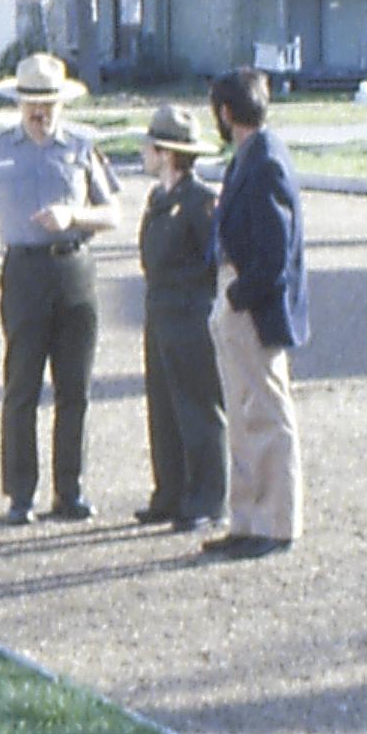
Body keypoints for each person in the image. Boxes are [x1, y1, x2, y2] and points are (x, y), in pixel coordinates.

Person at [0, 52, 122, 523]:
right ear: (19, 104)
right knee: (21, 386)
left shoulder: (81, 147)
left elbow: (112, 213)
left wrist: (75, 216)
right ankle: (20, 493)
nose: (40, 113)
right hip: (24, 272)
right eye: (32, 103)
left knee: (75, 388)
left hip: (73, 270)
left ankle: (69, 490)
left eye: (49, 104)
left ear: (61, 105)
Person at [204, 65, 306, 557]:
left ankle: (276, 522)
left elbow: (275, 252)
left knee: (267, 413)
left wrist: (240, 295)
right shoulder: (249, 158)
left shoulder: (265, 163)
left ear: (226, 112)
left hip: (255, 305)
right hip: (239, 294)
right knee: (244, 416)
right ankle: (246, 518)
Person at [132, 102, 227, 534]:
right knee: (163, 406)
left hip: (190, 313)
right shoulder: (159, 198)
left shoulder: (200, 202)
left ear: (168, 152)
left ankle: (207, 497)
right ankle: (169, 491)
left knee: (197, 408)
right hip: (159, 311)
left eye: (150, 146)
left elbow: (216, 261)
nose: (144, 152)